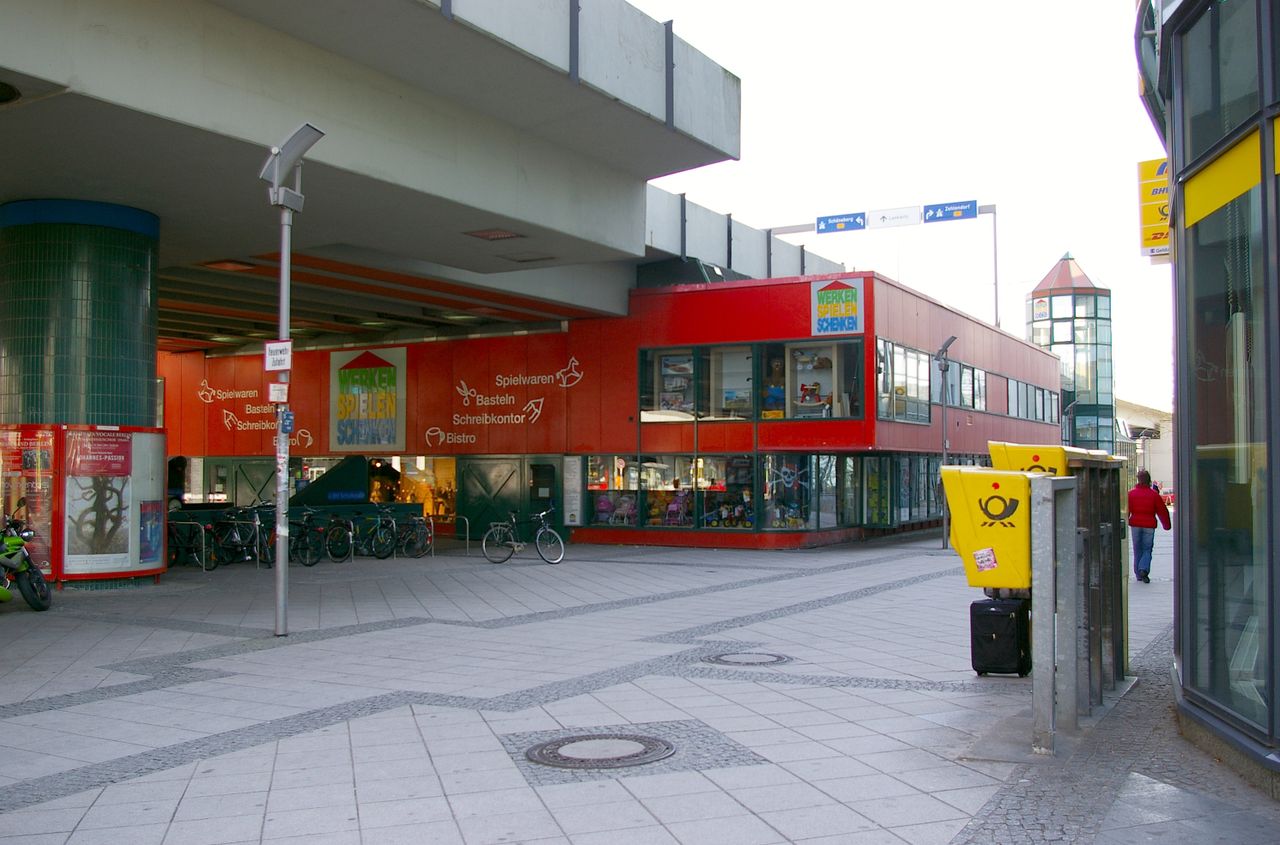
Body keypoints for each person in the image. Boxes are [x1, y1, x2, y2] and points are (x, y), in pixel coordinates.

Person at [1127, 469, 1171, 583]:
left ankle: (1138, 574)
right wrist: (1166, 525)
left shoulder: (1131, 494)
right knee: (1147, 549)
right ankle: (1144, 569)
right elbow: (1162, 511)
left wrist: (1124, 520)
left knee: (1137, 549)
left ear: (1138, 479)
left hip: (1135, 525)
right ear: (1149, 480)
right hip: (1149, 525)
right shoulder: (1154, 495)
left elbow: (1126, 510)